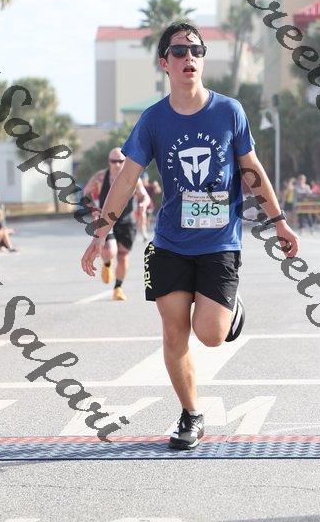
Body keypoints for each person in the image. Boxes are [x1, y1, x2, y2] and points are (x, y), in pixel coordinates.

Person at [81, 23, 299, 450]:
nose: (189, 58)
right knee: (173, 331)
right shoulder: (153, 119)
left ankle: (229, 309)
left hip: (220, 243)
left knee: (211, 334)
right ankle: (191, 414)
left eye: (196, 51)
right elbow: (126, 180)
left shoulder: (229, 111)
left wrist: (279, 221)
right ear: (165, 63)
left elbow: (252, 171)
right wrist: (99, 234)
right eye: (179, 52)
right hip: (170, 243)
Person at [84, 148, 150, 301]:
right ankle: (107, 263)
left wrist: (143, 205)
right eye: (114, 161)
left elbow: (145, 197)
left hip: (127, 221)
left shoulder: (134, 178)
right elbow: (85, 193)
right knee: (109, 250)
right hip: (106, 219)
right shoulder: (100, 177)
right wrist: (93, 209)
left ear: (126, 161)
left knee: (123, 255)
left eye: (121, 161)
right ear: (109, 162)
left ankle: (118, 288)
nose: (117, 164)